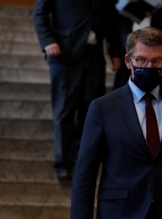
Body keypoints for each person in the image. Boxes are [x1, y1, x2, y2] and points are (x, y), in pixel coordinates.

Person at [70, 27, 162, 219]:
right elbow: (84, 177)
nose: (148, 66)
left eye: (155, 61)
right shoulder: (103, 108)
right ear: (128, 61)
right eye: (141, 60)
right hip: (119, 215)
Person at [33, 0, 122, 181]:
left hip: (94, 55)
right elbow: (39, 13)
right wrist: (48, 41)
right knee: (64, 111)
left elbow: (111, 19)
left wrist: (116, 51)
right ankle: (63, 164)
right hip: (64, 54)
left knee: (90, 111)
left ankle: (84, 160)